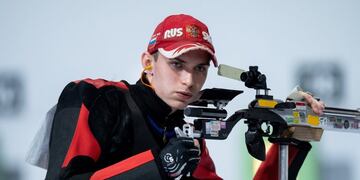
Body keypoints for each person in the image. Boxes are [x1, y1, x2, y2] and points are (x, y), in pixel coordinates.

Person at [36, 14, 324, 179]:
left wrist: (293, 137)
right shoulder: (94, 97)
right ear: (148, 63)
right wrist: (158, 168)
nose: (189, 80)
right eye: (177, 65)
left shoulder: (185, 128)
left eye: (199, 68)